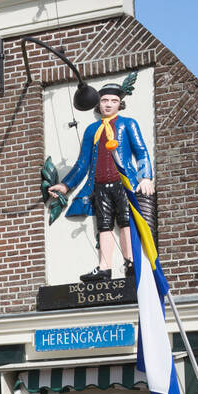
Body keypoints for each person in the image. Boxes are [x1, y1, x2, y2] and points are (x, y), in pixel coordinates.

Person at [48, 84, 154, 283]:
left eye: (113, 101)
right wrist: (65, 185)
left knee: (125, 222)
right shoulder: (91, 130)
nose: (108, 104)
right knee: (104, 226)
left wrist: (146, 176)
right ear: (98, 103)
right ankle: (104, 267)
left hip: (124, 183)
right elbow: (82, 163)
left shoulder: (127, 124)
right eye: (105, 100)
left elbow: (141, 151)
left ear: (119, 104)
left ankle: (130, 261)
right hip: (99, 186)